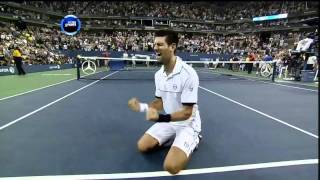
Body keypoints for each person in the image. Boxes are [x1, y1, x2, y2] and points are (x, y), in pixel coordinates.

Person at [128, 30, 202, 175]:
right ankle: (174, 138)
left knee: (171, 167)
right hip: (171, 121)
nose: (155, 48)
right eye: (154, 44)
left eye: (160, 44)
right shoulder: (158, 75)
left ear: (172, 47)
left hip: (188, 124)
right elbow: (160, 103)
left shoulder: (188, 74)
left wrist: (161, 118)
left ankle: (194, 138)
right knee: (142, 146)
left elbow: (187, 113)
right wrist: (142, 107)